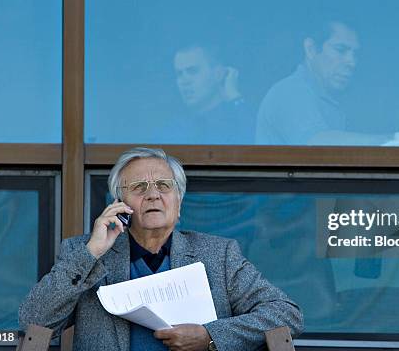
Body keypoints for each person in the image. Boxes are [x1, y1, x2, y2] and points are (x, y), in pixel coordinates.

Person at [19, 147, 303, 351]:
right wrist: (92, 252)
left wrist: (210, 336)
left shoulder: (219, 255)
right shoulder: (84, 253)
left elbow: (285, 314)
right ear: (120, 203)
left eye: (164, 186)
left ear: (178, 203)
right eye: (140, 187)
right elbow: (34, 322)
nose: (153, 194)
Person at [255, 20, 399, 146]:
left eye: (355, 54)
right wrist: (395, 141)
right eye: (340, 50)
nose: (352, 62)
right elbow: (315, 142)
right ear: (311, 48)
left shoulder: (330, 101)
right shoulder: (290, 91)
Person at [169, 45, 256, 144]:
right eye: (179, 74)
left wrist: (234, 96)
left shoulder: (240, 118)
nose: (184, 81)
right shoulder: (175, 128)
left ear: (218, 74)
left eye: (192, 71)